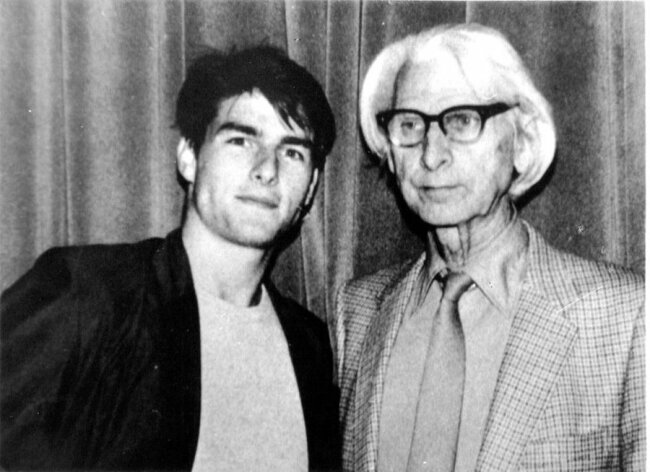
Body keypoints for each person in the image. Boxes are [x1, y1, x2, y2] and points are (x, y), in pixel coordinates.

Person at [1, 45, 340, 471]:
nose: (267, 169)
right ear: (189, 157)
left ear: (311, 188)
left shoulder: (310, 345)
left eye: (292, 152)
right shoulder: (92, 295)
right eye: (241, 140)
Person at [335, 23, 644, 472]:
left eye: (462, 121)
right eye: (410, 125)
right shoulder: (357, 312)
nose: (431, 154)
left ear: (522, 143)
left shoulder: (625, 317)